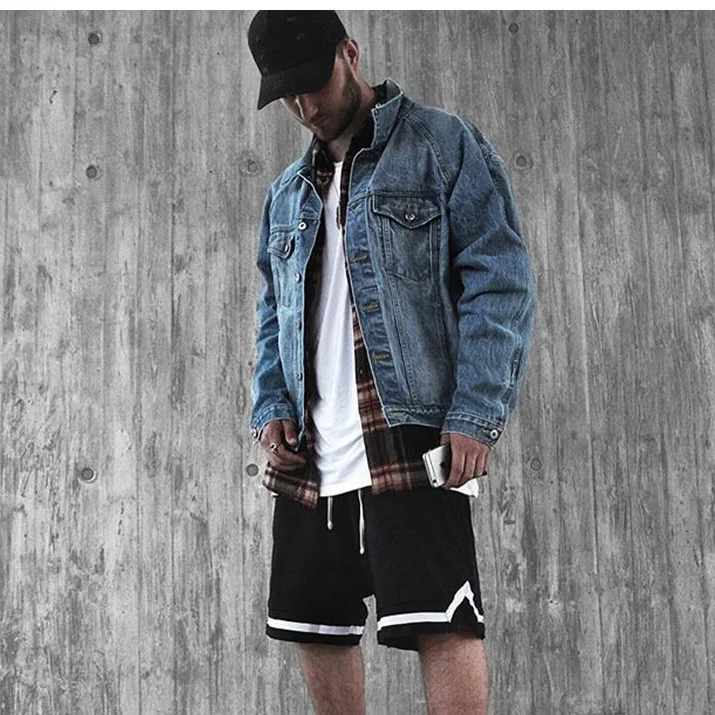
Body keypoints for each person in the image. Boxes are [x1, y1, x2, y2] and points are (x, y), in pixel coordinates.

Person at [247, 11, 535, 715]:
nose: (305, 106)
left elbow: (499, 281)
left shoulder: (440, 145)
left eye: (313, 82)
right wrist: (272, 403)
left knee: (444, 619)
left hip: (410, 431)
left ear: (350, 52)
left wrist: (475, 413)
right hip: (313, 451)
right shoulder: (288, 192)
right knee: (318, 627)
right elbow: (273, 310)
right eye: (287, 94)